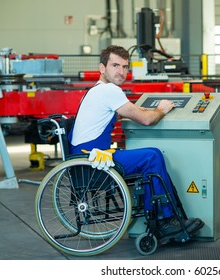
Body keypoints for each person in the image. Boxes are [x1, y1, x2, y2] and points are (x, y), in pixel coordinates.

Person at [69, 45, 204, 238]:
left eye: (125, 67)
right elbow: (146, 119)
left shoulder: (94, 91)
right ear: (102, 68)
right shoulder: (109, 91)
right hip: (92, 162)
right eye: (115, 66)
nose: (121, 72)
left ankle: (165, 215)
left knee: (154, 154)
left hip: (87, 158)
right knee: (151, 156)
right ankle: (163, 221)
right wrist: (162, 109)